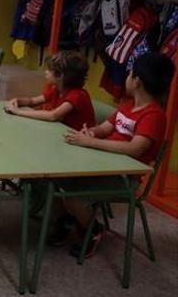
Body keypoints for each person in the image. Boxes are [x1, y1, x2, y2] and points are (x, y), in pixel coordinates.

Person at [54, 52, 175, 259]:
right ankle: (70, 222)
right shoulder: (127, 106)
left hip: (124, 178)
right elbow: (105, 128)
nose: (126, 77)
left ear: (137, 81)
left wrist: (92, 142)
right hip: (104, 165)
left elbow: (135, 149)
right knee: (57, 181)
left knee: (72, 197)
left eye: (130, 74)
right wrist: (91, 132)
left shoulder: (154, 115)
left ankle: (93, 230)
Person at [5, 51, 94, 130]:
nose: (46, 72)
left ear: (60, 75)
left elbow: (53, 116)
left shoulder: (77, 95)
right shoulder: (56, 89)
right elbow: (33, 101)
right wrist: (17, 101)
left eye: (49, 70)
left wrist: (18, 112)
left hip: (79, 139)